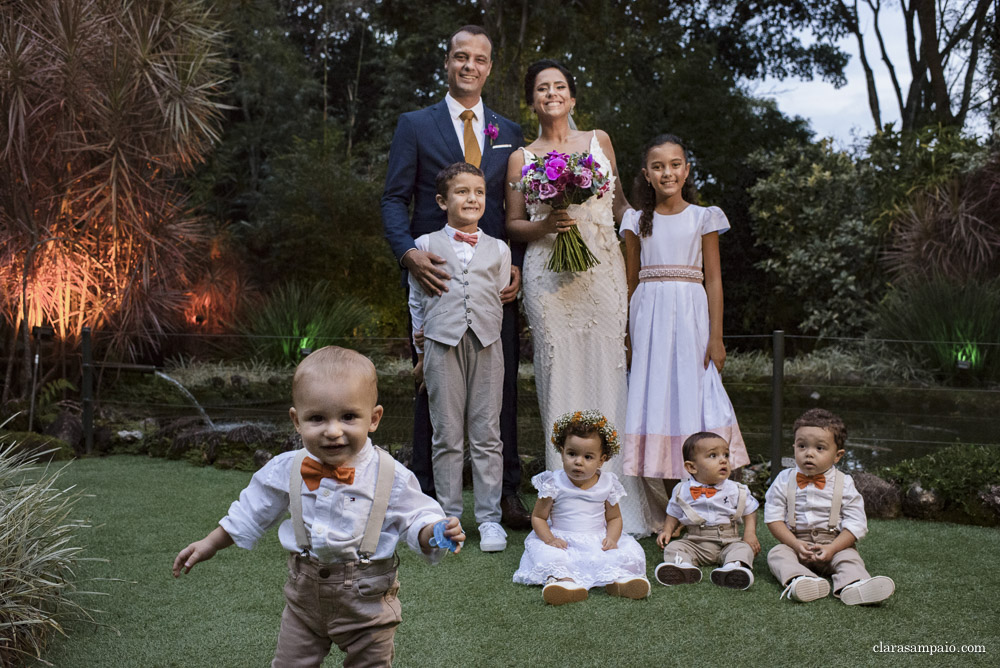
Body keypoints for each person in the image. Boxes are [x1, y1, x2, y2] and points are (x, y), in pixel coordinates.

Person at [172, 346, 465, 667]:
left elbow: (415, 516)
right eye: (317, 418)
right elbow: (251, 509)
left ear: (374, 419)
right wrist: (211, 542)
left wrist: (433, 531)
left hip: (367, 603)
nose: (333, 430)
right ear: (297, 421)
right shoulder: (288, 468)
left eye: (349, 416)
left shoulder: (390, 474)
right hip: (304, 601)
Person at [381, 25, 531, 530]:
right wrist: (407, 254)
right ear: (447, 63)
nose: (470, 65)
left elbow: (515, 209)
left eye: (480, 59)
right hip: (435, 278)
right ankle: (427, 496)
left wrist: (517, 264)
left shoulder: (508, 130)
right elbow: (393, 199)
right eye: (460, 57)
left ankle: (505, 495)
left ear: (491, 67)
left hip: (494, 282)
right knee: (434, 388)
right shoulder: (415, 124)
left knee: (499, 389)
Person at [505, 59, 652, 536]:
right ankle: (564, 507)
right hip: (549, 276)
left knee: (609, 371)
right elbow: (513, 223)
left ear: (572, 97)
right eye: (542, 88)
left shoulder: (599, 141)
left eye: (560, 86)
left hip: (602, 271)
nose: (551, 93)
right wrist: (546, 225)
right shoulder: (521, 158)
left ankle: (617, 505)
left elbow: (620, 204)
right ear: (533, 100)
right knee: (558, 373)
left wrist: (647, 227)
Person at [619, 133, 749, 527]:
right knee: (655, 397)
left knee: (693, 399)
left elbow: (714, 281)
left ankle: (710, 500)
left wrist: (716, 336)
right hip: (649, 319)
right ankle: (667, 510)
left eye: (675, 164)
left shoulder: (703, 217)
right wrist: (627, 333)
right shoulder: (633, 221)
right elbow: (629, 281)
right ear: (646, 174)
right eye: (658, 166)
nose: (667, 172)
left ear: (687, 169)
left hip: (692, 318)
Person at [409, 162, 511, 552]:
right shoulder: (424, 245)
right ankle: (447, 517)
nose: (472, 198)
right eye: (462, 192)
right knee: (446, 434)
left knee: (487, 434)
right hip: (439, 342)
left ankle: (489, 520)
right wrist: (420, 352)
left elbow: (497, 292)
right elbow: (416, 302)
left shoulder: (499, 249)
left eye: (479, 192)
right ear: (442, 200)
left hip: (487, 342)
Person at [512, 410, 649, 605]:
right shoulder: (554, 482)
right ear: (562, 452)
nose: (578, 461)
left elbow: (614, 518)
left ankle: (622, 581)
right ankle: (564, 583)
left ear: (602, 460)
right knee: (553, 557)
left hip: (596, 538)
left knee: (627, 552)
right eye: (572, 454)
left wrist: (612, 538)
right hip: (562, 538)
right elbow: (539, 517)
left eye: (588, 457)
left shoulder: (607, 483)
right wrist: (550, 539)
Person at [765, 408, 895, 605]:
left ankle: (853, 585)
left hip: (834, 544)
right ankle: (801, 580)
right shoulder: (784, 480)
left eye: (819, 448)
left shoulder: (845, 483)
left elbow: (856, 524)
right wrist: (795, 544)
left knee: (849, 558)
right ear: (794, 447)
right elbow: (773, 518)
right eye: (802, 446)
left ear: (838, 455)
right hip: (796, 543)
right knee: (777, 554)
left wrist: (833, 548)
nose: (808, 454)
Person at [653, 432, 760, 590]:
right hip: (695, 542)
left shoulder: (735, 489)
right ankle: (684, 566)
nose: (723, 460)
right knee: (674, 548)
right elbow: (673, 513)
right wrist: (667, 531)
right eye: (713, 456)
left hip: (729, 542)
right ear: (691, 467)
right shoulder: (682, 490)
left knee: (743, 548)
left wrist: (750, 533)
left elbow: (750, 509)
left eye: (726, 455)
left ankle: (732, 567)